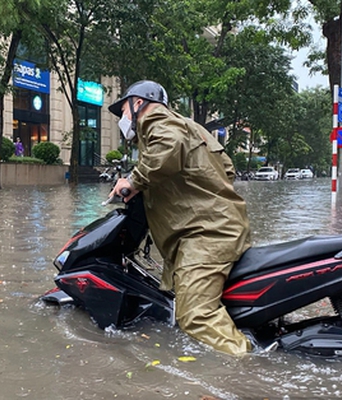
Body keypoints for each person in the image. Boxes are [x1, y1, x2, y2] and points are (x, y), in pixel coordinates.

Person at [108, 80, 258, 356]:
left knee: (194, 316)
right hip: (216, 227)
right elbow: (228, 170)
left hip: (205, 236)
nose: (123, 118)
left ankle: (247, 370)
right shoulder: (192, 127)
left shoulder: (156, 121)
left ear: (137, 103)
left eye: (123, 111)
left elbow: (167, 150)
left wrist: (133, 181)